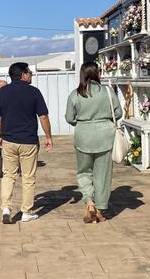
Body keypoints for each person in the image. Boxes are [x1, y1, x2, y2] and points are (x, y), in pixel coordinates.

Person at [0, 62, 53, 224]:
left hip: (8, 140)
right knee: (28, 177)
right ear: (23, 74)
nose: (31, 74)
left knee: (8, 175)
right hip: (28, 141)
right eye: (29, 72)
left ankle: (6, 207)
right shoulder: (34, 92)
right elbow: (43, 116)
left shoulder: (3, 92)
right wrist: (48, 136)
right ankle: (26, 211)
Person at [65, 61, 123, 223]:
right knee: (103, 174)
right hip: (105, 135)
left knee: (84, 171)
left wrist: (82, 122)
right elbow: (118, 113)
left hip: (83, 135)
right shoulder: (107, 91)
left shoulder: (75, 94)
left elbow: (69, 118)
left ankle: (89, 202)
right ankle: (101, 207)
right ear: (97, 73)